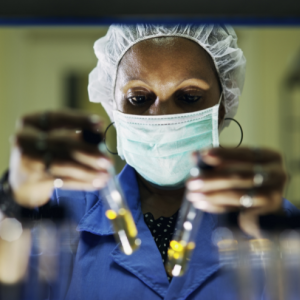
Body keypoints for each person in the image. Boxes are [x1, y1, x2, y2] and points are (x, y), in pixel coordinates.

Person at [0, 24, 299, 299]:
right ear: (113, 110)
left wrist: (282, 239)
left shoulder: (271, 218)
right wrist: (16, 200)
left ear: (221, 110)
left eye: (190, 96)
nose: (162, 116)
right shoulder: (62, 206)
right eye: (139, 98)